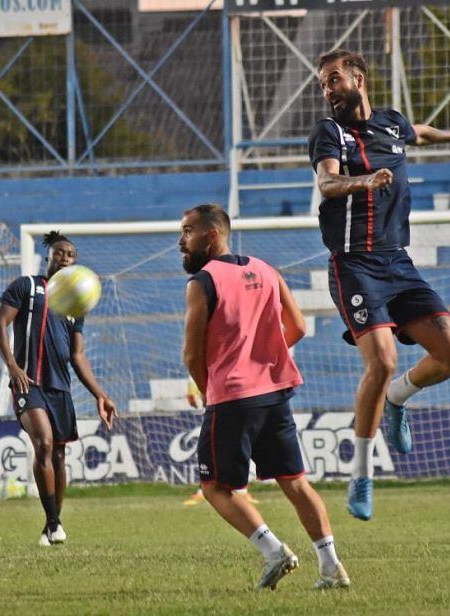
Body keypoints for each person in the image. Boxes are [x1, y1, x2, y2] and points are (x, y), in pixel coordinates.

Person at [308, 49, 450, 521]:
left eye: (334, 79)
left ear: (358, 80)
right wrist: (362, 183)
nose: (327, 89)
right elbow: (326, 185)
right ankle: (362, 474)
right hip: (354, 265)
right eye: (323, 83)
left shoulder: (390, 123)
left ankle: (397, 399)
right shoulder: (330, 133)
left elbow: (417, 134)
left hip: (398, 263)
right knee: (383, 359)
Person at [180, 203, 349, 590]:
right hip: (274, 392)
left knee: (216, 488)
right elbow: (299, 328)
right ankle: (331, 567)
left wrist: (210, 389)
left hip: (232, 397)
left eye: (187, 231)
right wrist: (265, 357)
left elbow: (191, 354)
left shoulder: (202, 282)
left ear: (212, 235)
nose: (180, 241)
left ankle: (275, 553)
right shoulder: (266, 269)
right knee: (295, 481)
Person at [0, 231, 117, 546]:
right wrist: (12, 365)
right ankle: (55, 523)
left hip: (60, 386)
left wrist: (100, 394)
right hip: (28, 382)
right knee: (44, 445)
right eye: (60, 253)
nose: (65, 258)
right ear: (48, 256)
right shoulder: (26, 287)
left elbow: (77, 356)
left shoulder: (76, 303)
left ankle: (51, 526)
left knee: (59, 455)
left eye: (71, 255)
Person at [183, 377, 260, 507]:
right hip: (214, 404)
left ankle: (241, 490)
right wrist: (193, 389)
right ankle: (203, 490)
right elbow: (194, 363)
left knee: (237, 445)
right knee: (211, 449)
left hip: (232, 400)